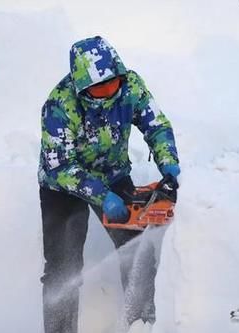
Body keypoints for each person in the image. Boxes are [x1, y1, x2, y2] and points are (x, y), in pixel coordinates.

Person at [38, 36, 180, 333]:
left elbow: (156, 125)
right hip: (63, 186)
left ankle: (140, 322)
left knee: (137, 248)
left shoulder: (130, 86)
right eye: (98, 88)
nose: (107, 91)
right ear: (81, 86)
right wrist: (102, 197)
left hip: (113, 174)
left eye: (111, 82)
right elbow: (60, 166)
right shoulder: (59, 105)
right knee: (63, 267)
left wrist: (167, 161)